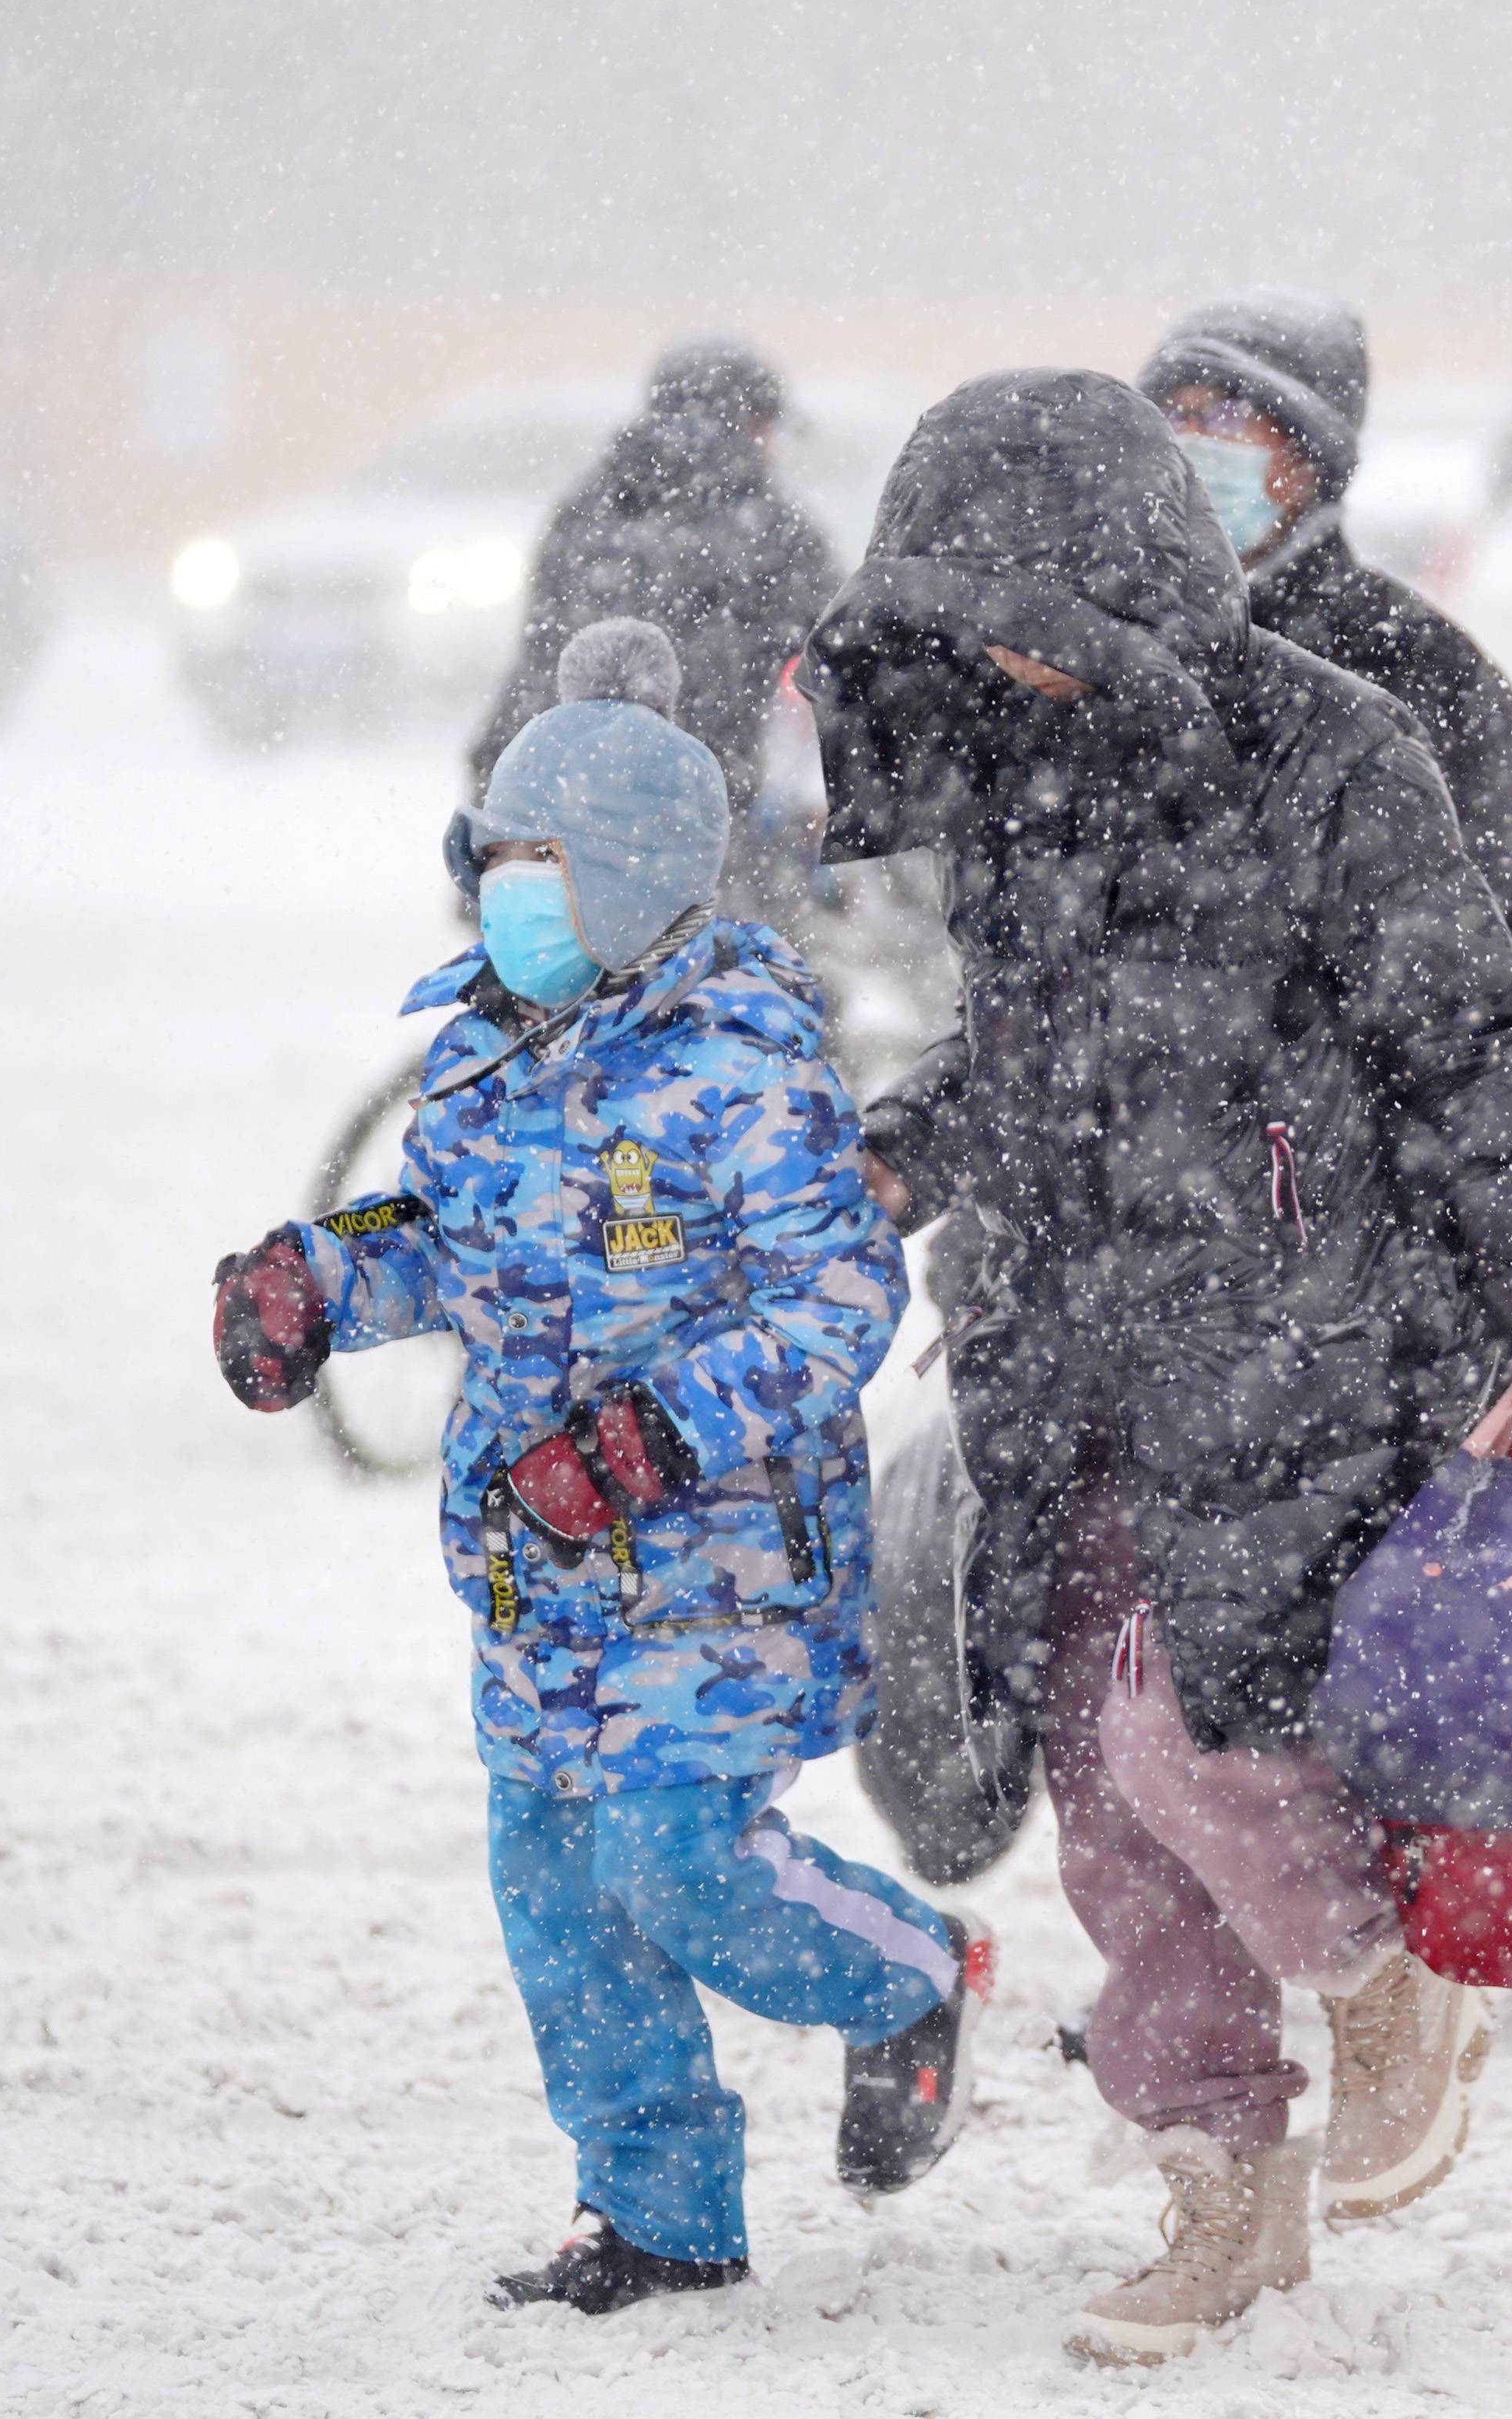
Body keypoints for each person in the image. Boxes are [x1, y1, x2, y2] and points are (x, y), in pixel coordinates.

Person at [803, 369, 1512, 2365]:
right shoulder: (1014, 772)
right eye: (963, 628)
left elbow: (1459, 1045)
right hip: (1067, 1345)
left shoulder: (1342, 752)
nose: (998, 661)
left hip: (1298, 1344)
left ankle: (1375, 1977)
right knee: (1101, 1803)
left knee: (1207, 1740)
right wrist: (907, 1146)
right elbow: (1035, 1058)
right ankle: (1218, 2187)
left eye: (1025, 616)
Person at [208, 670, 992, 2315]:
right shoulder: (485, 1058)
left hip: (715, 1574)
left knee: (676, 1865)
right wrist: (320, 1289)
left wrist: (651, 1438)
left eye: (538, 867)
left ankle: (909, 1975)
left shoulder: (741, 1070)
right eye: (493, 860)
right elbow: (446, 1245)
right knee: (561, 1903)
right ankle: (658, 2215)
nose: (504, 897)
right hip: (535, 1577)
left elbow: (835, 1299)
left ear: (633, 880)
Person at [1139, 288, 1512, 1015]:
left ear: (1310, 458)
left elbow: (1491, 981)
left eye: (1231, 415)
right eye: (1174, 411)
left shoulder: (1417, 665)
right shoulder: (1095, 643)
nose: (1192, 440)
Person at [465, 338, 838, 877]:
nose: (770, 444)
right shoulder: (766, 524)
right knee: (724, 952)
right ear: (745, 423)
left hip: (564, 812)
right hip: (704, 810)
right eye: (765, 426)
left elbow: (538, 655)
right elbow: (838, 646)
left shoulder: (585, 510)